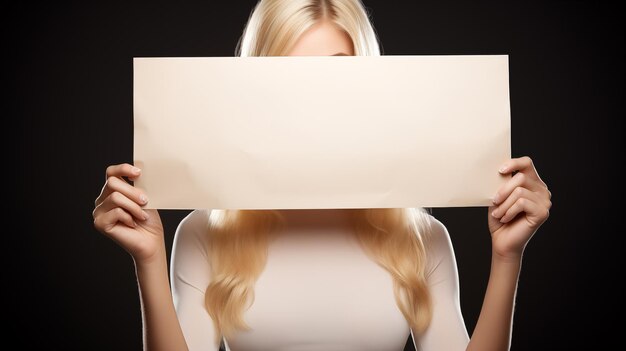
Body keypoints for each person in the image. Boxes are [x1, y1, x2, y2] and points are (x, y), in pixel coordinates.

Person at [92, 0, 552, 350]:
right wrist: (149, 261)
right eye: (290, 76)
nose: (314, 100)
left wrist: (508, 258)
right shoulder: (204, 234)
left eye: (336, 72)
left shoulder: (421, 238)